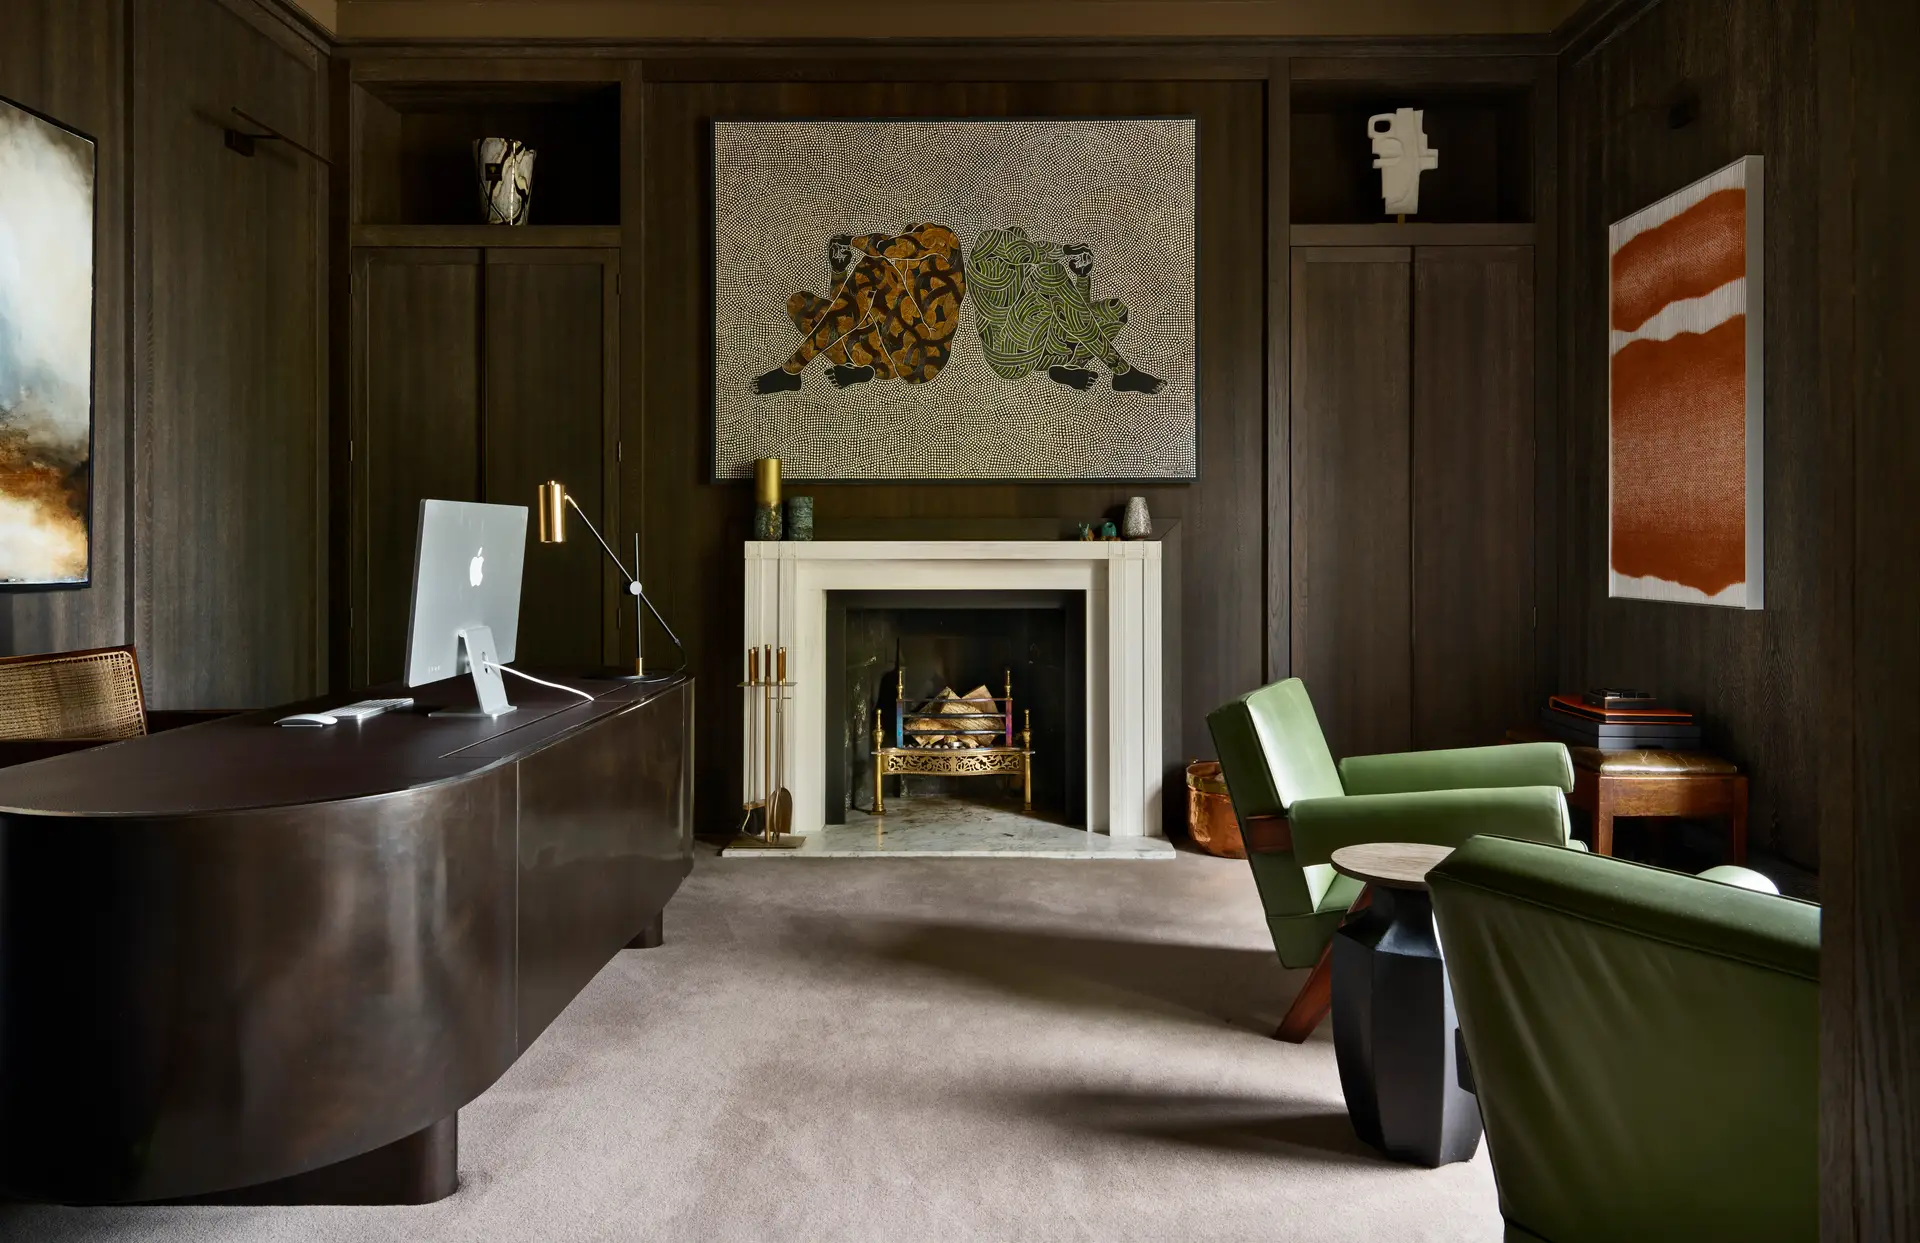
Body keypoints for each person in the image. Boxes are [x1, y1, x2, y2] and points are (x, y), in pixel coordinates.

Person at [751, 223, 967, 394]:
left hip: (920, 358)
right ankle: (865, 369)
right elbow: (847, 309)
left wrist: (850, 240)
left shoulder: (943, 242)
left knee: (873, 266)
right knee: (799, 304)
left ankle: (791, 371)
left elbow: (883, 248)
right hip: (885, 350)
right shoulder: (905, 277)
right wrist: (839, 271)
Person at [967, 226, 1166, 394]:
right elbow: (1025, 251)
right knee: (1050, 271)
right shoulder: (984, 259)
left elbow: (1074, 313)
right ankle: (1122, 371)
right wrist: (1064, 250)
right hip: (1009, 356)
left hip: (1045, 350)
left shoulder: (1024, 274)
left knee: (1116, 310)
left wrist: (1082, 278)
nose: (1025, 263)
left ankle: (1067, 369)